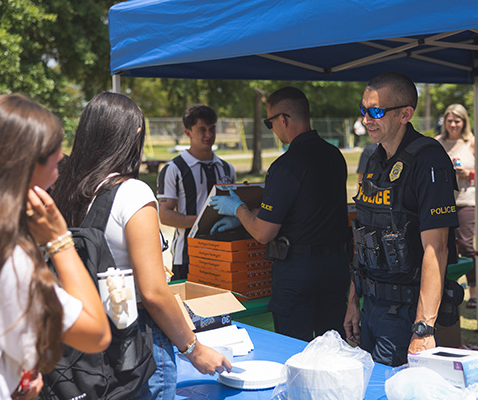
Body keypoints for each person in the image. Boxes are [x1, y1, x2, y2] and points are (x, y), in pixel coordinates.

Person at [51, 93, 231, 399]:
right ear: (135, 134)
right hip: (136, 345)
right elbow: (153, 292)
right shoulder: (132, 193)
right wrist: (194, 349)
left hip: (82, 338)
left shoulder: (66, 190)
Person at [0, 94, 110, 399]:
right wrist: (59, 241)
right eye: (55, 156)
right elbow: (96, 333)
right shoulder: (5, 259)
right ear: (25, 166)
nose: (61, 164)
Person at [209, 86, 351, 342]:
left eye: (269, 122)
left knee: (295, 350)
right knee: (333, 348)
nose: (271, 129)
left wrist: (238, 209)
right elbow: (307, 208)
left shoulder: (286, 165)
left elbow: (264, 232)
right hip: (336, 267)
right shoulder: (334, 156)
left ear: (283, 119)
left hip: (299, 270)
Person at [343, 72, 459, 367]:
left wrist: (424, 329)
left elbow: (437, 249)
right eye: (364, 110)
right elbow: (365, 233)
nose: (367, 119)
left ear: (405, 114)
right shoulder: (374, 158)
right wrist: (354, 301)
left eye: (376, 111)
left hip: (405, 314)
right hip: (371, 307)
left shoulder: (429, 160)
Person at [157, 105, 236, 280]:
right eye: (202, 130)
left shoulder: (226, 168)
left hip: (222, 252)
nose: (209, 135)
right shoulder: (173, 169)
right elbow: (165, 216)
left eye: (212, 129)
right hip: (187, 256)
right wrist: (204, 222)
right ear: (188, 133)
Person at [435, 104, 478, 308]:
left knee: (466, 245)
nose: (453, 124)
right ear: (444, 122)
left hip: (467, 200)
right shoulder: (438, 142)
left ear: (464, 122)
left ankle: (473, 291)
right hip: (443, 201)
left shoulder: (472, 143)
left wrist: (469, 174)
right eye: (450, 120)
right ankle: (446, 288)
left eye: (457, 121)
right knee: (443, 245)